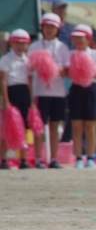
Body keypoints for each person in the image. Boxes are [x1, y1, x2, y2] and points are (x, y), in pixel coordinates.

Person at [28, 13, 71, 169]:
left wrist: (57, 70)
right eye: (46, 27)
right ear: (42, 28)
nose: (49, 30)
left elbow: (68, 71)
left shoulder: (63, 47)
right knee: (38, 127)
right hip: (40, 92)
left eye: (52, 27)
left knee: (54, 126)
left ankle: (53, 158)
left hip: (58, 92)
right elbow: (29, 70)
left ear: (57, 29)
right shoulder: (34, 46)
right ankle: (39, 158)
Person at [66, 25, 96, 169]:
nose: (77, 41)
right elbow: (68, 73)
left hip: (91, 89)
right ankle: (78, 157)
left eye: (80, 38)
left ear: (88, 39)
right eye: (74, 38)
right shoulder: (70, 54)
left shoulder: (95, 54)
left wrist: (85, 71)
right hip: (76, 89)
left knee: (90, 125)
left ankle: (91, 157)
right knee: (76, 125)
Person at [0, 29, 32, 169]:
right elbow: (3, 81)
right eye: (16, 42)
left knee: (24, 127)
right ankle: (4, 159)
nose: (19, 45)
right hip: (12, 92)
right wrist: (6, 101)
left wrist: (32, 101)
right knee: (8, 126)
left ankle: (23, 158)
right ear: (11, 44)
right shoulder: (6, 59)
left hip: (24, 93)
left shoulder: (28, 60)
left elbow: (30, 81)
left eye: (23, 43)